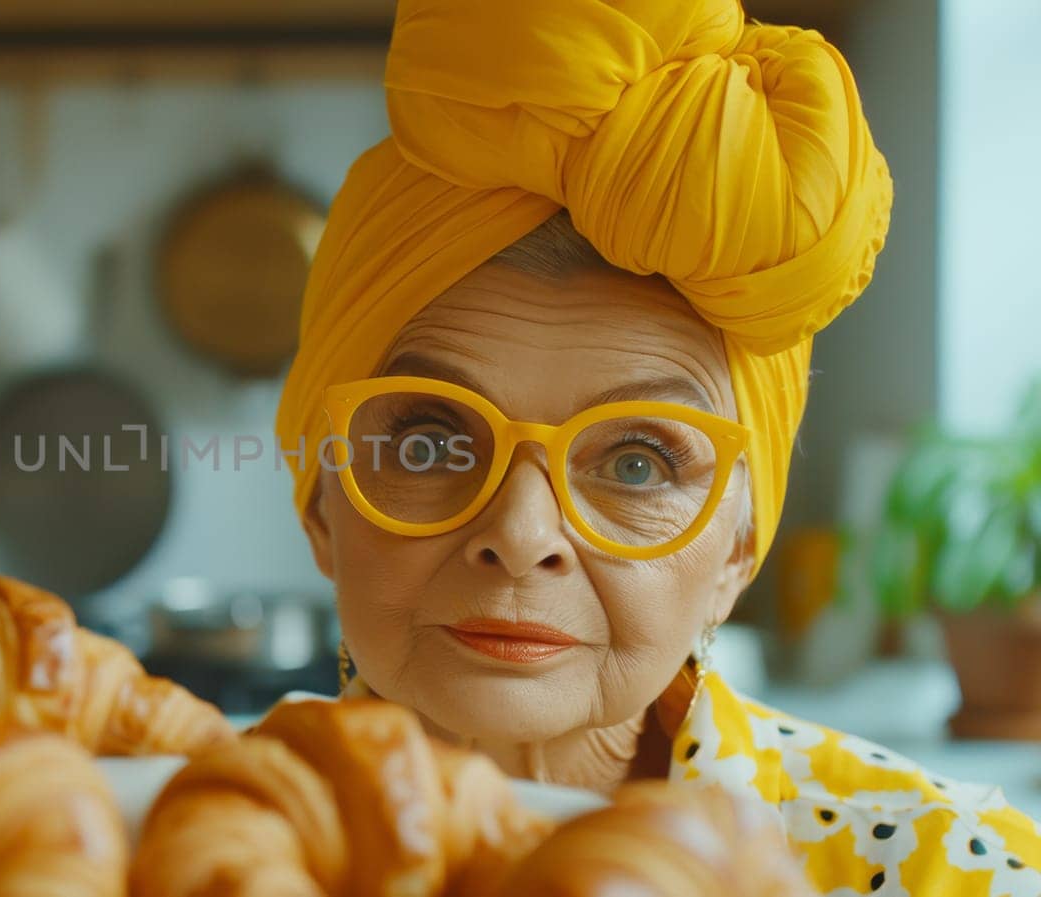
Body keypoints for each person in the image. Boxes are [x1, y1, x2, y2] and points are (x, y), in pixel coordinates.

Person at [272, 1, 1041, 894]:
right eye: (430, 444)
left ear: (739, 549)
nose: (523, 534)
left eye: (638, 463)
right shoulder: (135, 842)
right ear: (322, 499)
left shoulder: (947, 867)